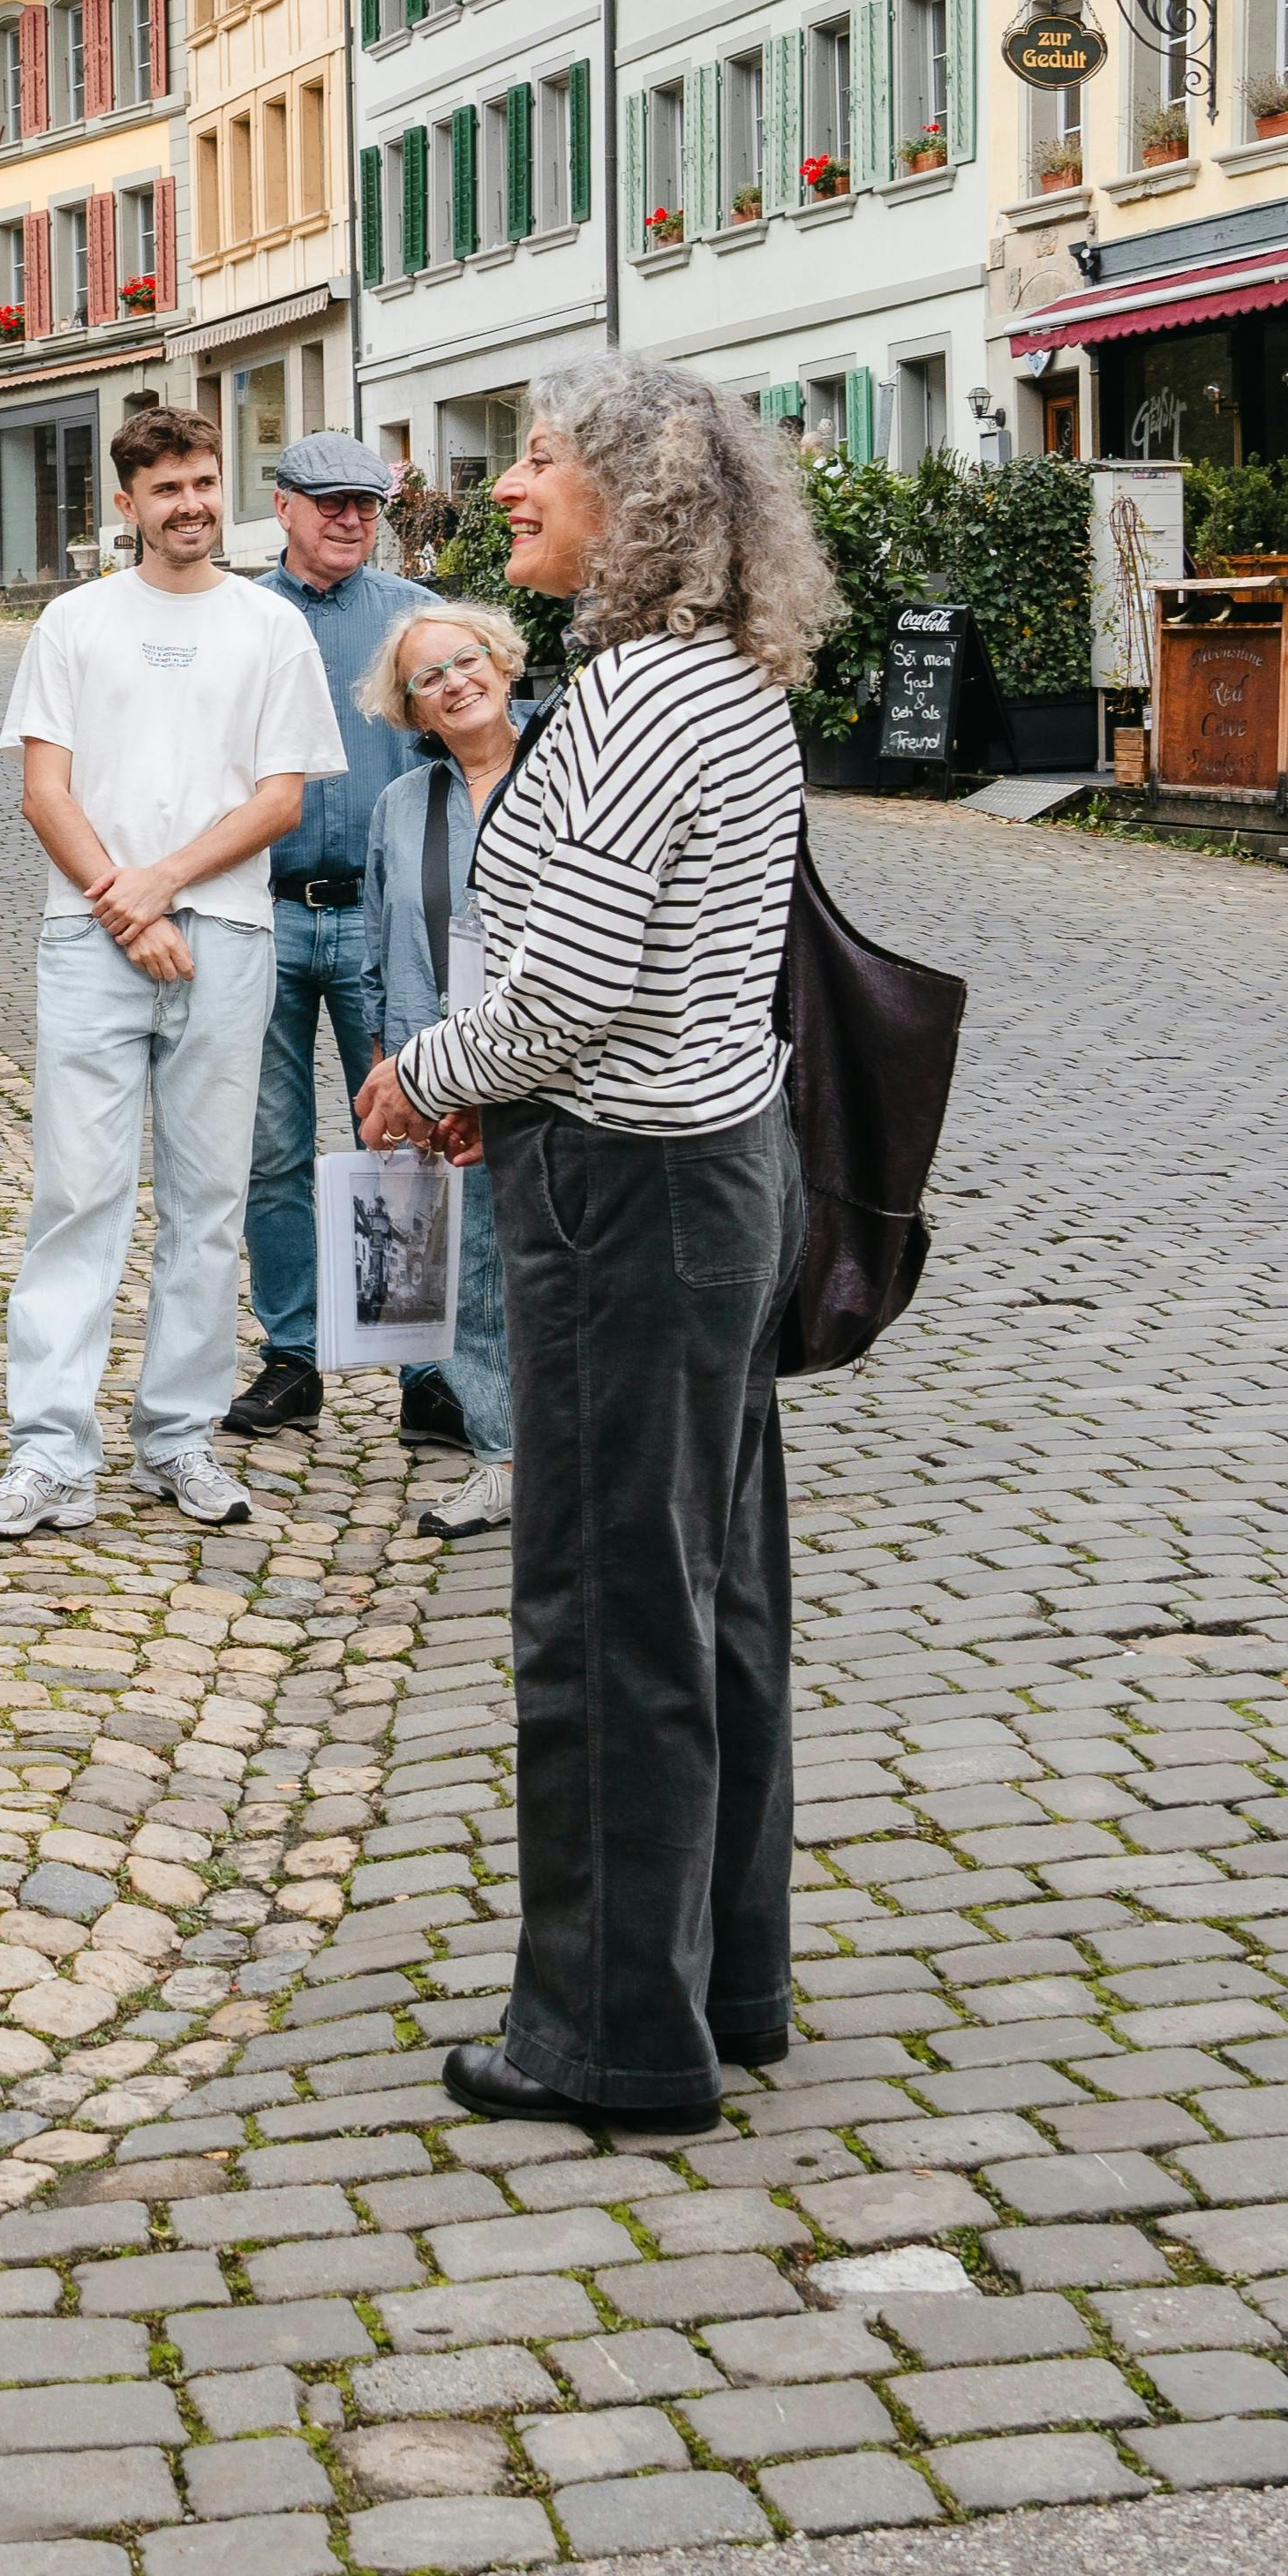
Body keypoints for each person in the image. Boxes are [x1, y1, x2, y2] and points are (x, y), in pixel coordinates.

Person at [355, 358, 824, 2138]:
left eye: (543, 457)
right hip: (718, 1162)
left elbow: (571, 990)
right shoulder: (733, 687)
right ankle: (724, 1974)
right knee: (716, 1589)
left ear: (634, 503)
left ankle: (611, 2033)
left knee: (609, 1603)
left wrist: (427, 1073)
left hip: (626, 1186)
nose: (511, 482)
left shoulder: (631, 703)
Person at [0, 407, 351, 1542]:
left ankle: (177, 1436)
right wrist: (127, 911)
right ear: (122, 504)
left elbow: (281, 796)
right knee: (76, 1194)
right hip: (90, 938)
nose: (186, 505)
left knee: (209, 1200)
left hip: (225, 933)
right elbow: (46, 789)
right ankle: (49, 1453)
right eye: (164, 487)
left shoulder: (266, 629)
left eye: (201, 483)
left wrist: (163, 885)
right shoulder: (76, 622)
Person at [232, 432, 442, 1450]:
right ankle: (292, 1356)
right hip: (263, 909)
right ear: (282, 507)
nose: (350, 518)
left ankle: (424, 1367)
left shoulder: (413, 621)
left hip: (378, 913)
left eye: (365, 502)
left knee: (402, 1135)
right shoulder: (239, 617)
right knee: (271, 1148)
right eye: (328, 503)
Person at [363, 600, 536, 1547]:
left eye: (466, 661)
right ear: (413, 710)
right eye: (428, 677)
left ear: (504, 666)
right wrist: (392, 1068)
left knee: (556, 1260)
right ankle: (501, 1456)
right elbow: (379, 953)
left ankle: (582, 1449)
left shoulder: (565, 774)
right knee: (462, 1268)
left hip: (550, 1053)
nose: (454, 682)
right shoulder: (400, 807)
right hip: (437, 1063)